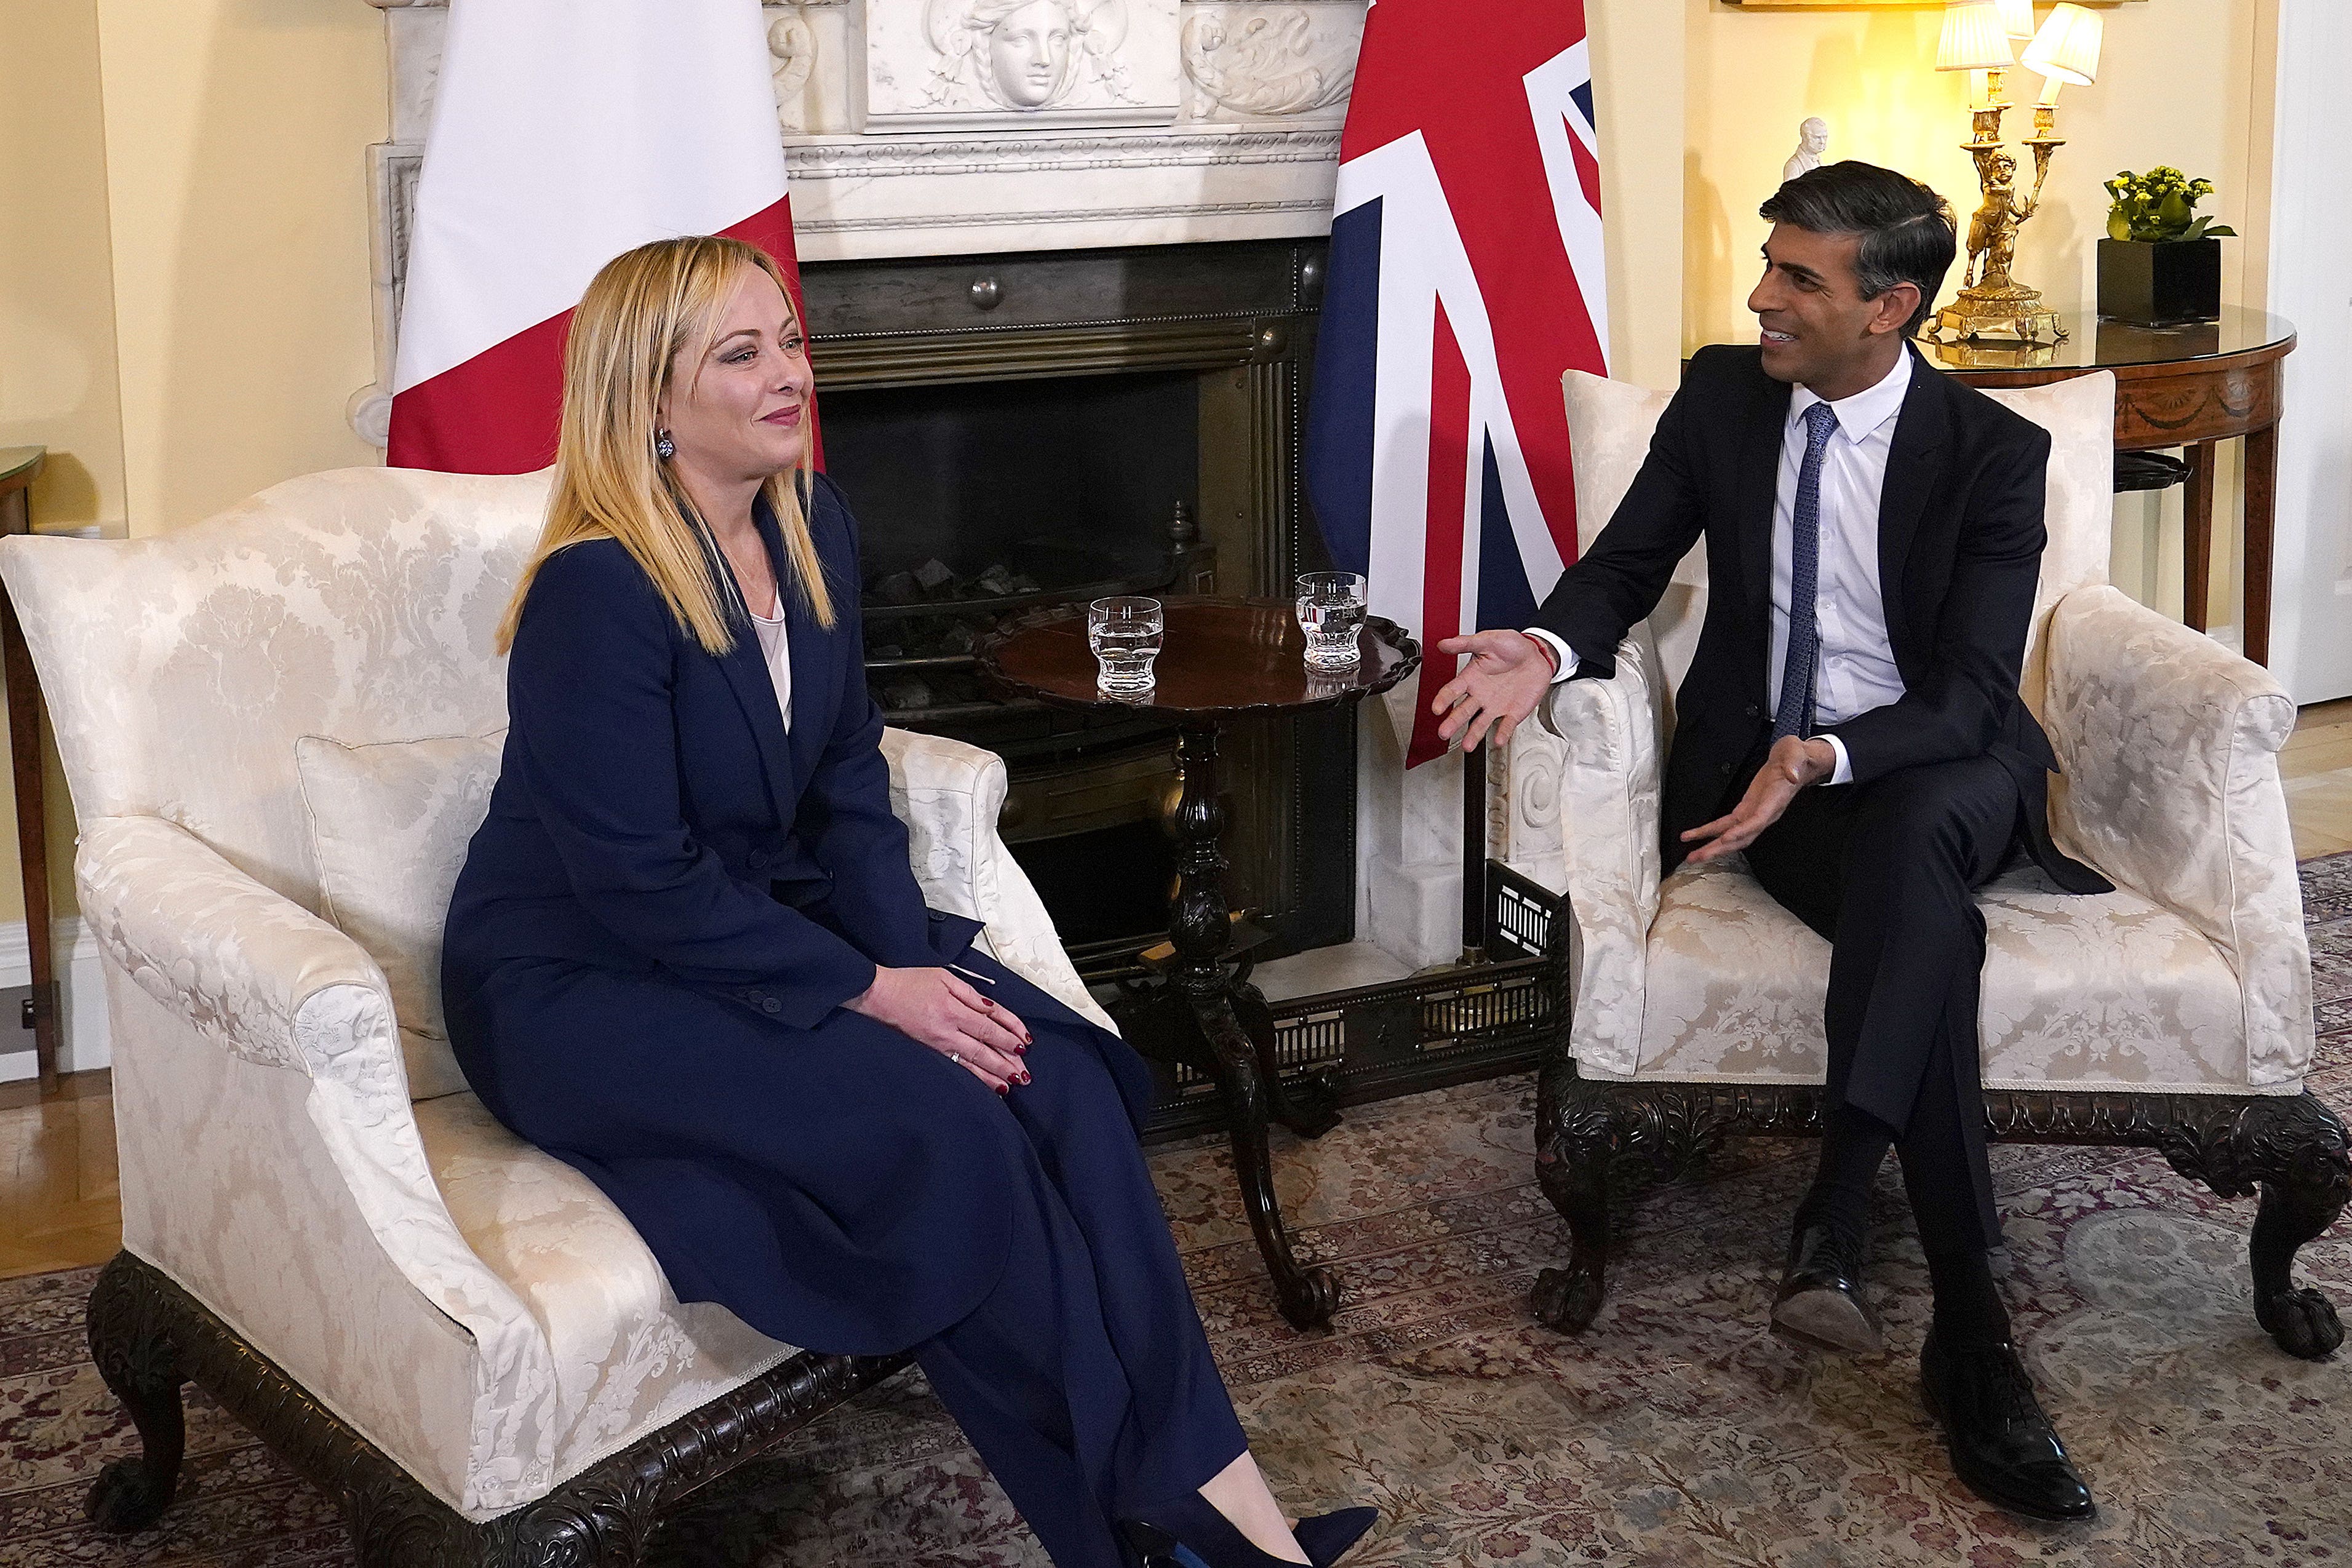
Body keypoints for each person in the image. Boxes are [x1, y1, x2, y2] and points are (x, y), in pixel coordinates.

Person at [439, 235, 1376, 1568]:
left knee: (1049, 1075)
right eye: (742, 352)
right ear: (649, 399)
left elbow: (845, 790)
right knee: (951, 1135)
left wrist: (908, 976)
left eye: (790, 341)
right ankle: (1140, 1542)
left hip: (759, 936)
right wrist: (877, 995)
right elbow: (635, 882)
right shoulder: (596, 592)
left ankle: (1224, 1516)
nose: (789, 375)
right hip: (578, 987)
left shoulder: (813, 527)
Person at [1430, 162, 2113, 1524]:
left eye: (1799, 277)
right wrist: (1548, 641)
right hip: (1769, 785)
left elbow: (1976, 692)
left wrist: (1821, 755)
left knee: (1918, 832)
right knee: (1928, 926)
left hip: (1935, 765)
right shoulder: (1725, 396)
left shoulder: (1991, 454)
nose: (1762, 297)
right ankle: (1961, 1337)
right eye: (1769, 265)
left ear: (1889, 306)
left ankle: (1852, 1214)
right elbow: (1626, 565)